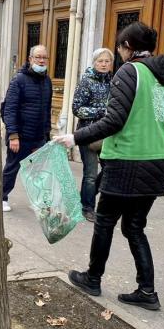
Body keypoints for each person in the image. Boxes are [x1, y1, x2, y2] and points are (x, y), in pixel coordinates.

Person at [54, 22, 164, 311]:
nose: (118, 53)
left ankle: (92, 278)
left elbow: (114, 120)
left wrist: (74, 137)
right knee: (134, 227)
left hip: (128, 162)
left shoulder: (129, 71)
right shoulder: (159, 77)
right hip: (157, 160)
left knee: (105, 221)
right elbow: (151, 116)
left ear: (128, 46)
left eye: (120, 47)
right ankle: (147, 291)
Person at [1, 44, 52, 212]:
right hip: (20, 136)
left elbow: (47, 109)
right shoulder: (19, 80)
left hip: (39, 136)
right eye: (38, 57)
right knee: (12, 168)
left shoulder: (47, 81)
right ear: (30, 59)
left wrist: (47, 135)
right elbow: (9, 109)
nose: (42, 60)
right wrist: (13, 135)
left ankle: (37, 199)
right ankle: (2, 198)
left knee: (39, 171)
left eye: (44, 57)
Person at [72, 48, 113, 222]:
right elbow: (77, 109)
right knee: (90, 173)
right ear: (94, 62)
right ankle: (87, 208)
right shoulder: (86, 81)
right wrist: (102, 112)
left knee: (109, 169)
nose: (104, 64)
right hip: (88, 133)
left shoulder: (113, 81)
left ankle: (85, 196)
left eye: (107, 61)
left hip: (108, 133)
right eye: (100, 61)